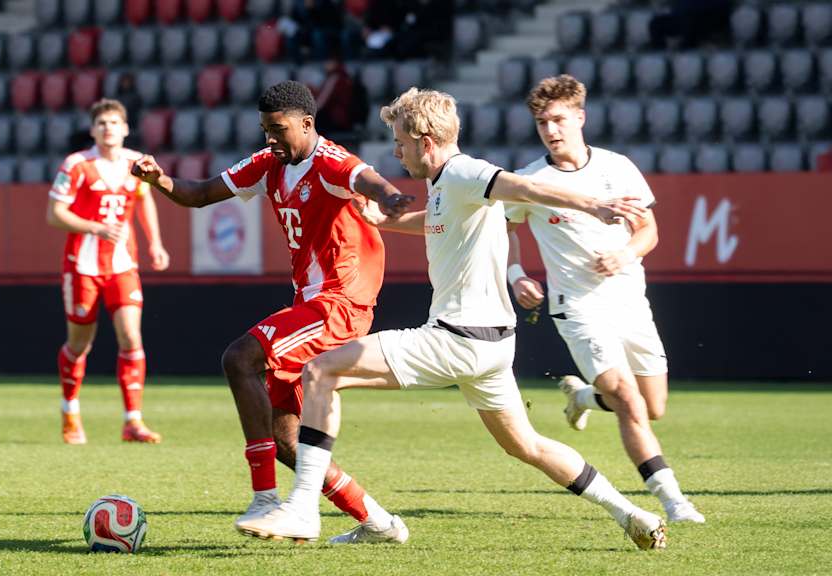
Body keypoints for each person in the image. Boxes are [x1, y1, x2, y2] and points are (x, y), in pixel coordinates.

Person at [237, 87, 669, 551]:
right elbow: (436, 220)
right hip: (493, 346)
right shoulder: (446, 186)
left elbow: (524, 188)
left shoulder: (465, 171)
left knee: (321, 370)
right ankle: (632, 514)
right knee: (527, 446)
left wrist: (592, 205)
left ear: (425, 141)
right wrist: (383, 222)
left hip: (456, 338)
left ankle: (302, 507)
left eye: (401, 142)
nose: (396, 152)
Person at [131, 81, 416, 543]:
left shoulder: (329, 161)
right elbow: (200, 193)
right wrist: (159, 180)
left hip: (340, 302)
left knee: (239, 358)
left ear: (307, 124)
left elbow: (363, 176)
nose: (270, 139)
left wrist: (386, 195)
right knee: (287, 440)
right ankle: (377, 522)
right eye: (265, 130)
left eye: (278, 130)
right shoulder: (268, 164)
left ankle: (265, 497)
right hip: (311, 304)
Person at [505, 74, 705, 524]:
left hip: (630, 300)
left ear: (580, 117)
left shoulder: (617, 168)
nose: (550, 130)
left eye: (558, 119)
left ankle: (583, 399)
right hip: (575, 306)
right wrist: (516, 274)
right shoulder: (529, 180)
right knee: (630, 402)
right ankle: (674, 501)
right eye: (542, 123)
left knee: (654, 406)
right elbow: (506, 228)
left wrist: (625, 253)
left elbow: (648, 231)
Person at [46, 98, 170, 445]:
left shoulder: (136, 163)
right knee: (79, 344)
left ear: (125, 128)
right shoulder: (76, 165)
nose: (108, 128)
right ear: (92, 130)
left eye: (114, 123)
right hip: (82, 267)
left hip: (122, 265)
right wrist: (95, 227)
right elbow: (54, 214)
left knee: (131, 337)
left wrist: (155, 243)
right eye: (101, 123)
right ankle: (70, 411)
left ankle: (133, 421)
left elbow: (145, 198)